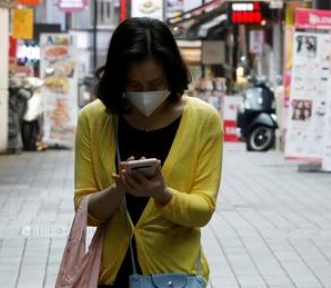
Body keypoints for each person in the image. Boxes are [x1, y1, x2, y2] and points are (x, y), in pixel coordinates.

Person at [73, 17, 223, 287]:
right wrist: (118, 189)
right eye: (133, 86)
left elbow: (203, 211)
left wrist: (161, 194)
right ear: (119, 79)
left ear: (172, 74)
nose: (145, 93)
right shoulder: (94, 119)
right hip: (109, 276)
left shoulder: (204, 120)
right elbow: (85, 211)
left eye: (155, 84)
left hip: (175, 278)